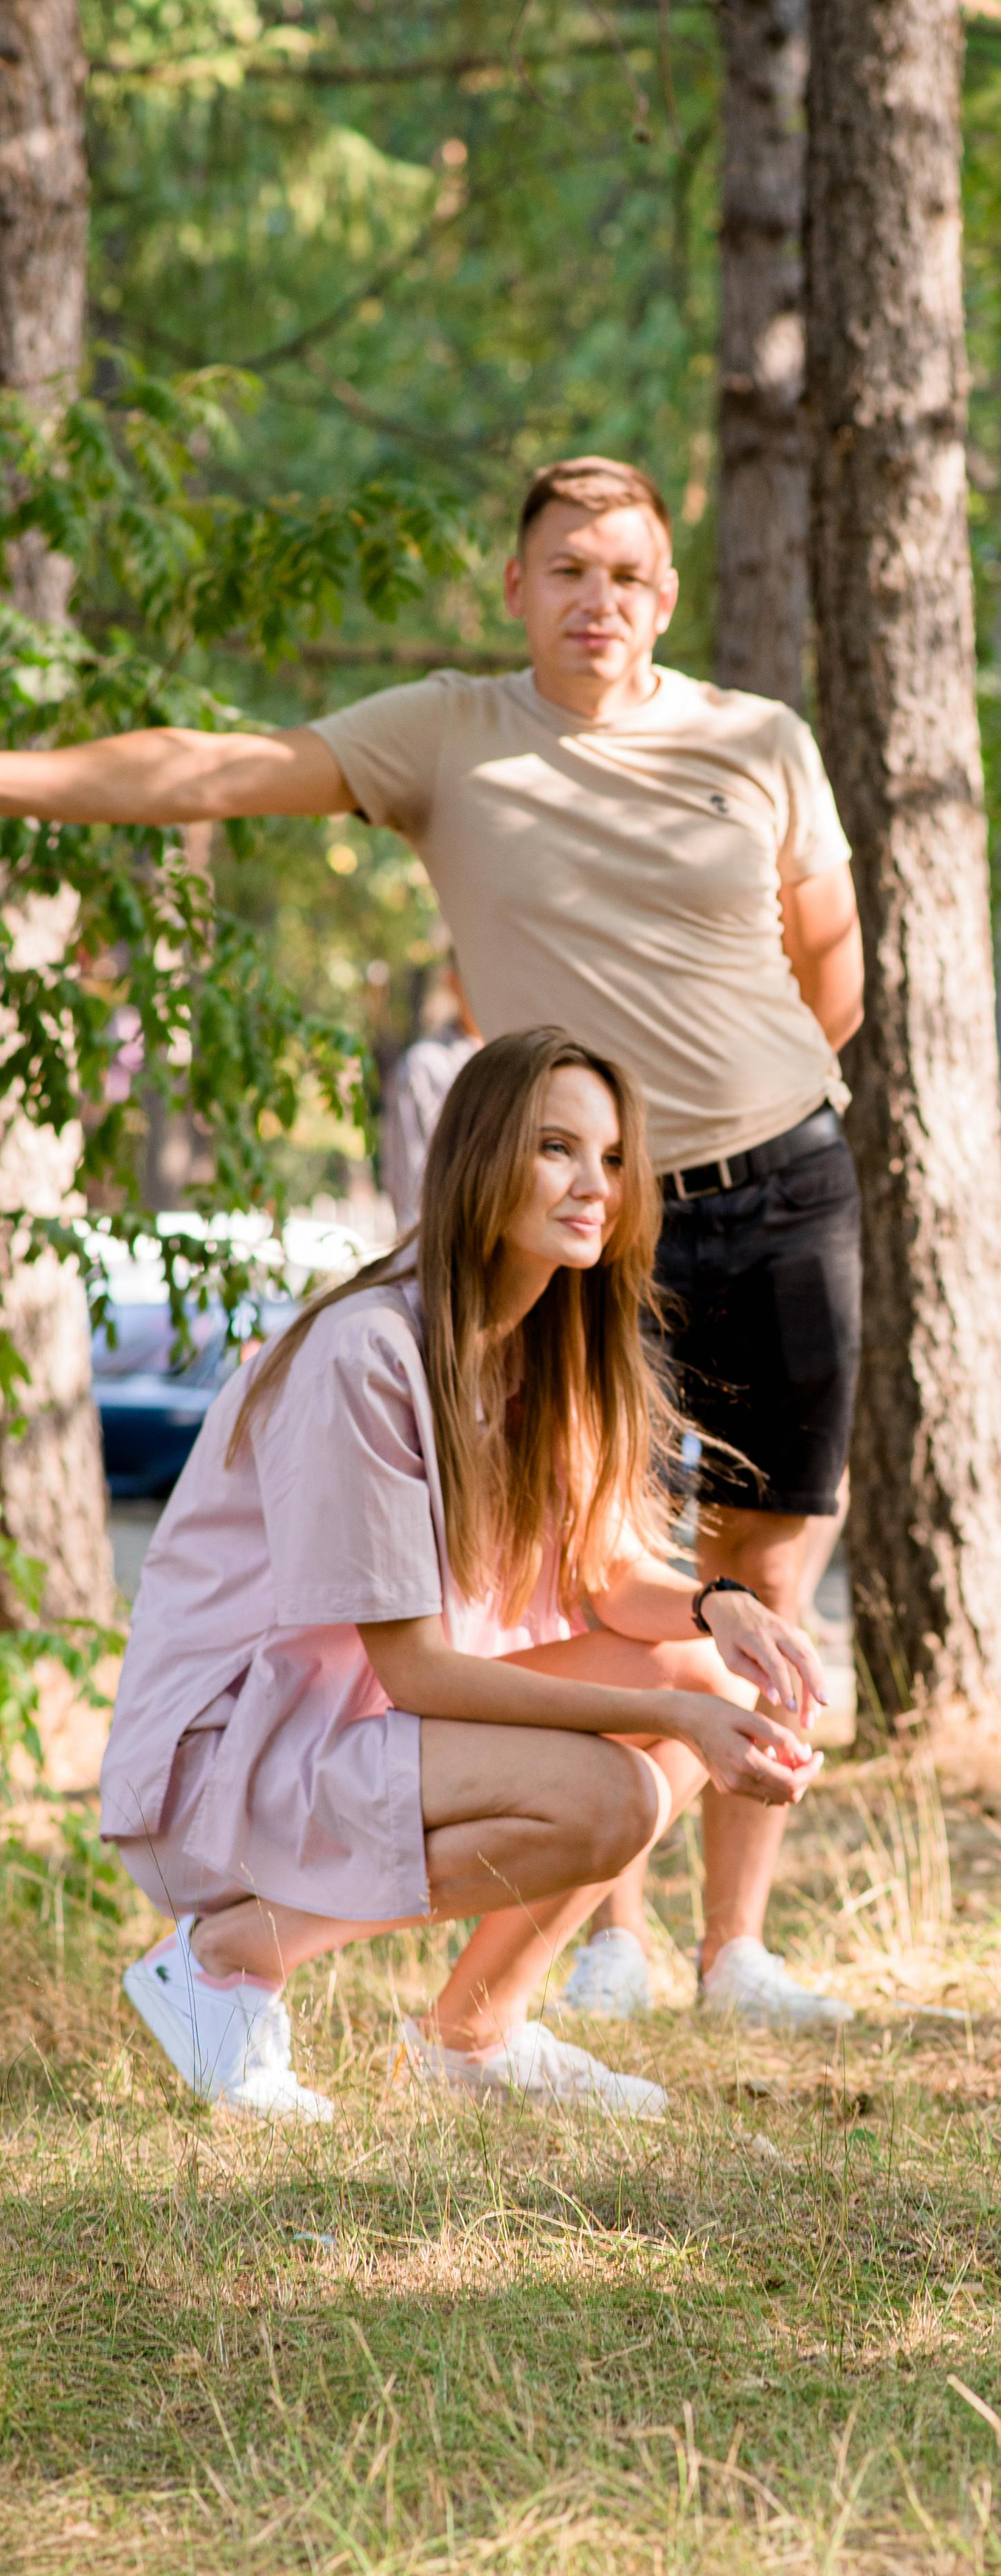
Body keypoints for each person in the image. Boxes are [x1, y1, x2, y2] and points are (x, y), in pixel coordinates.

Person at [1, 455, 865, 2029]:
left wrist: (743, 1115)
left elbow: (831, 963)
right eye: (566, 570)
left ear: (664, 595)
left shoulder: (759, 740)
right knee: (609, 1582)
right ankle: (580, 1935)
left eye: (626, 573)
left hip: (784, 1179)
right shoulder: (446, 736)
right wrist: (15, 775)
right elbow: (213, 769)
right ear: (516, 591)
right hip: (589, 1203)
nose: (597, 597)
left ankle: (730, 1953)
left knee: (754, 1578)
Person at [100, 1028, 828, 2122]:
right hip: (234, 1760)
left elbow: (609, 1573)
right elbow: (419, 1671)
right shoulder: (369, 1351)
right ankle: (227, 1957)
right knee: (619, 1790)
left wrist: (723, 1610)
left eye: (616, 1158)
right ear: (483, 1157)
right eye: (557, 1149)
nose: (596, 1185)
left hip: (361, 1732)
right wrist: (665, 1711)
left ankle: (470, 2036)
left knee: (708, 1678)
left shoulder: (557, 1345)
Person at [381, 959, 480, 1231]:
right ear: (451, 980)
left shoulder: (533, 1068)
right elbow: (412, 1197)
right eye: (479, 969)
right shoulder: (424, 1067)